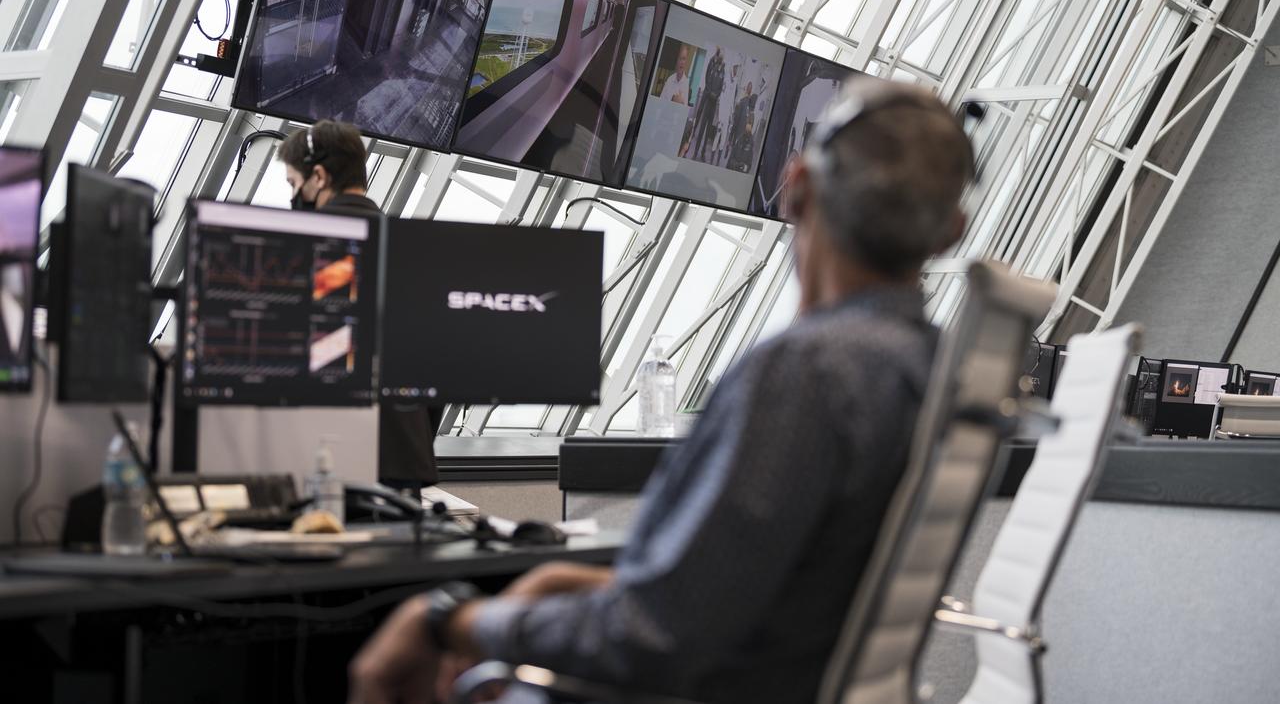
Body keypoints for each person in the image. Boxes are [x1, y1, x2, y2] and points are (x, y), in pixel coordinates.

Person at [347, 78, 976, 704]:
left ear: (797, 189)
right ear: (952, 231)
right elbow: (738, 596)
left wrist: (450, 620)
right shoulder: (938, 374)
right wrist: (565, 587)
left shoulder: (807, 373)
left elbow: (652, 638)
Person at [280, 119, 443, 491]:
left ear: (318, 176)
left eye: (293, 183)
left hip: (324, 458)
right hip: (403, 458)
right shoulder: (419, 251)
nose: (294, 194)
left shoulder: (302, 247)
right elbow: (439, 362)